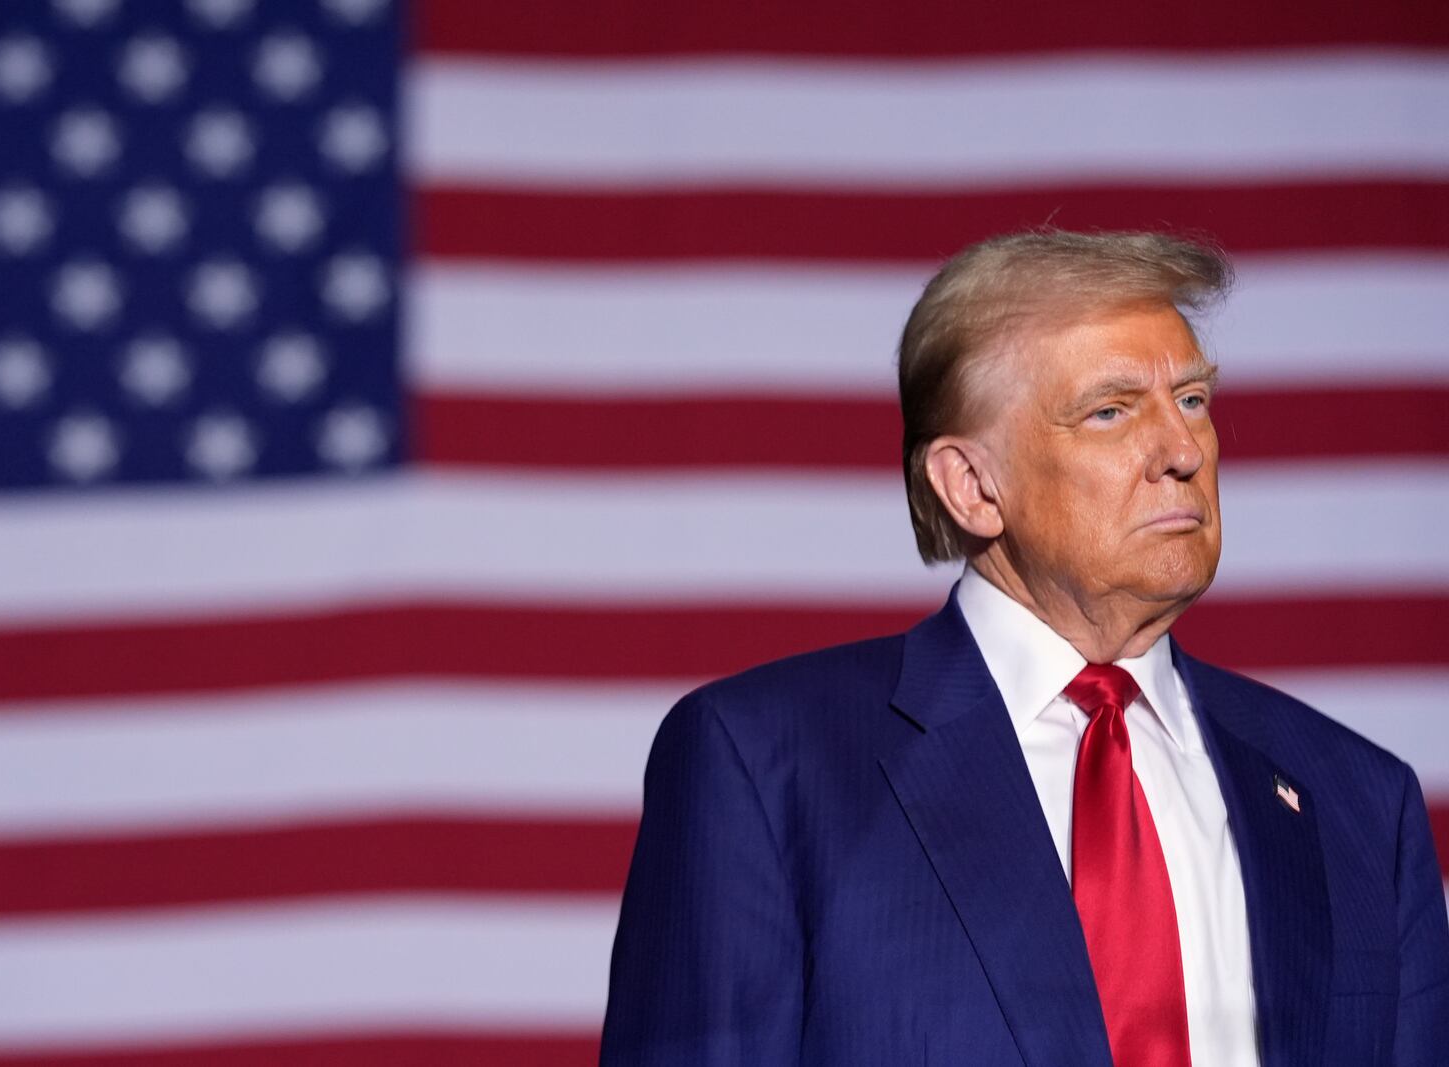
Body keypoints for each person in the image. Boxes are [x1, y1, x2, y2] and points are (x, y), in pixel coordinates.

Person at [599, 231, 1449, 1066]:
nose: (1184, 451)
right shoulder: (766, 767)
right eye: (1111, 411)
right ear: (972, 486)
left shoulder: (1361, 803)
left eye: (1192, 399)